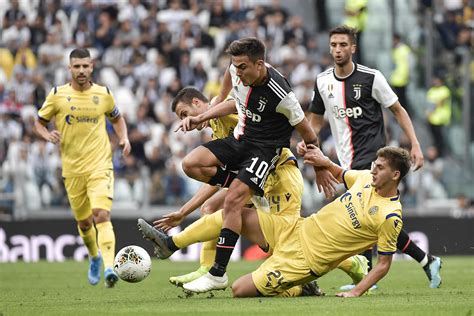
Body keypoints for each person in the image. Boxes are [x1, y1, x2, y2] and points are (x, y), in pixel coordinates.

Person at [140, 146, 409, 297]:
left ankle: (300, 287)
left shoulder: (389, 216)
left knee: (239, 290)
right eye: (374, 164)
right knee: (234, 211)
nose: (373, 169)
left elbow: (384, 264)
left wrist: (356, 292)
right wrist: (320, 160)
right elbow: (340, 173)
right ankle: (171, 243)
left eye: (380, 168)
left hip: (306, 260)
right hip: (298, 227)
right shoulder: (364, 178)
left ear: (395, 175)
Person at [164, 37, 321, 293]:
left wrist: (319, 165)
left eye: (242, 67)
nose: (237, 72)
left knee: (240, 208)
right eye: (234, 66)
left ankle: (217, 272)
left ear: (260, 65)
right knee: (191, 164)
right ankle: (247, 187)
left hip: (266, 150)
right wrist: (204, 114)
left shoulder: (282, 95)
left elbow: (308, 132)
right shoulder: (239, 73)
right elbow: (233, 92)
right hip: (241, 140)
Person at [300, 25, 441, 289]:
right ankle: (426, 260)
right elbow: (316, 121)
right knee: (368, 218)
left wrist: (415, 144)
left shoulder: (371, 78)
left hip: (373, 158)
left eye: (343, 45)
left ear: (353, 48)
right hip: (344, 159)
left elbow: (398, 110)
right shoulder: (322, 81)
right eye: (333, 45)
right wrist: (309, 143)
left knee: (363, 215)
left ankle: (369, 275)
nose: (338, 50)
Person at [34, 48, 131, 288]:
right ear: (69, 68)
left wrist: (124, 138)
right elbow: (39, 123)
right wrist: (47, 135)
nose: (81, 71)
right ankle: (95, 257)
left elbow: (117, 118)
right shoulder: (57, 95)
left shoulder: (103, 94)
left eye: (85, 66)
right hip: (72, 169)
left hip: (100, 164)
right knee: (85, 223)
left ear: (92, 66)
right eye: (76, 66)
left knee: (102, 214)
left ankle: (110, 266)